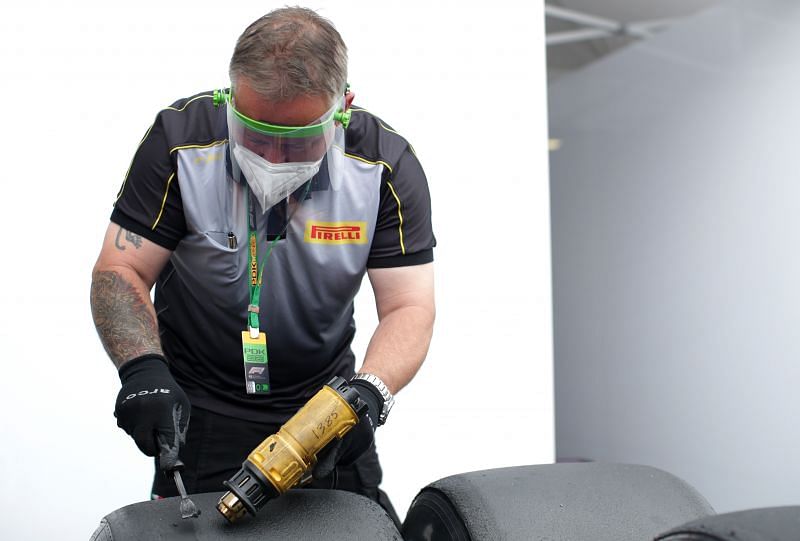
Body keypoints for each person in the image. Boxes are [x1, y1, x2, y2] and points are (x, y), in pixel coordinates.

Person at [89, 7, 435, 524]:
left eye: (296, 140)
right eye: (253, 134)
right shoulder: (179, 142)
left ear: (343, 107)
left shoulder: (385, 166)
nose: (272, 158)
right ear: (231, 98)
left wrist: (370, 392)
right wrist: (142, 369)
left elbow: (409, 305)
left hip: (324, 416)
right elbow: (121, 269)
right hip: (203, 412)